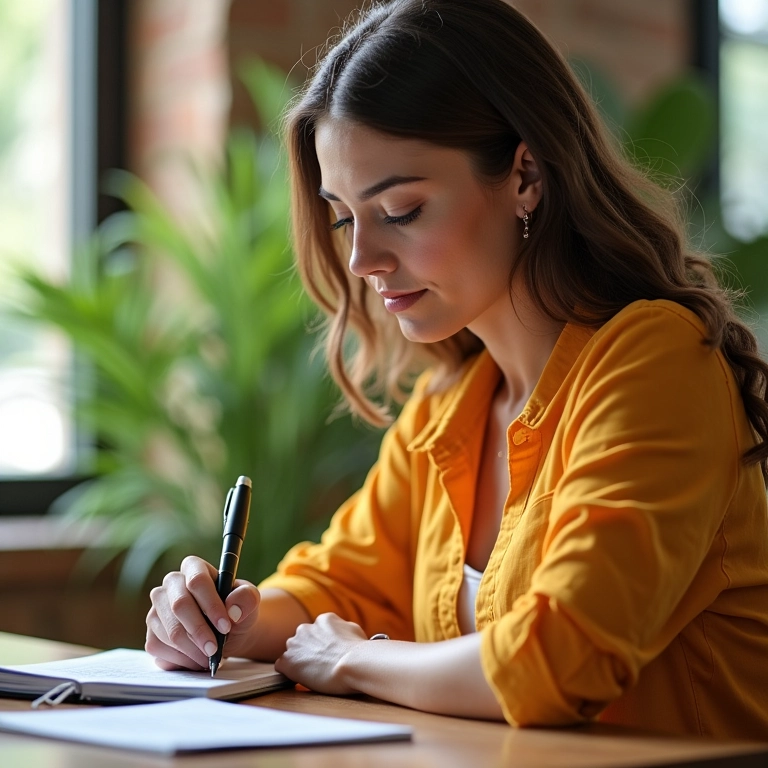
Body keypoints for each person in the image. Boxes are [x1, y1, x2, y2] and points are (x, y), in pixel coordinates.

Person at [145, 0, 768, 738]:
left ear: (526, 176)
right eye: (345, 216)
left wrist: (353, 660)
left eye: (401, 210)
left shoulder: (657, 363)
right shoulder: (453, 405)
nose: (361, 261)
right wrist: (228, 620)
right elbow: (336, 587)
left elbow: (557, 662)